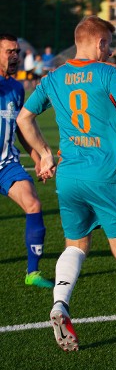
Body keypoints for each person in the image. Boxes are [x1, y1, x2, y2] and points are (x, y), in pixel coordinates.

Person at [17, 16, 116, 350]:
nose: (110, 50)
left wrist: (43, 154)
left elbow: (25, 118)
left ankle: (60, 303)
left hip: (69, 176)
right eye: (108, 44)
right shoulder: (110, 72)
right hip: (105, 176)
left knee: (75, 244)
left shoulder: (53, 77)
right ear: (99, 42)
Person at [0, 33, 53, 289]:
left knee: (33, 204)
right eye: (9, 51)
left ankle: (32, 273)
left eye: (17, 52)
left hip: (6, 164)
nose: (15, 56)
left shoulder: (16, 87)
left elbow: (22, 128)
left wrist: (38, 158)